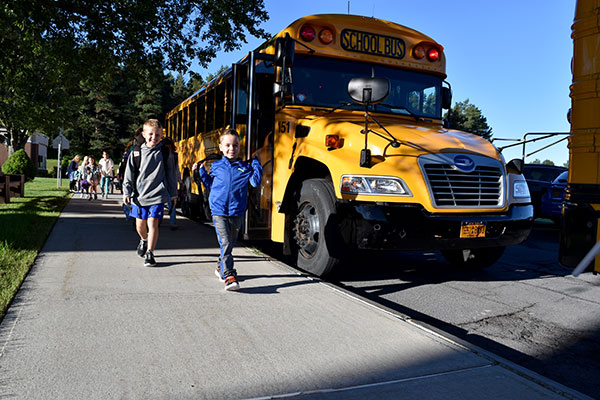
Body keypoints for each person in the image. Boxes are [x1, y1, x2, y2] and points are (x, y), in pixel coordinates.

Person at [193, 128, 262, 291]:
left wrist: (256, 163)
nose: (232, 149)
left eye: (236, 145)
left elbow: (255, 182)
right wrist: (201, 172)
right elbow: (210, 185)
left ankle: (220, 267)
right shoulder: (216, 166)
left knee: (229, 242)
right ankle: (229, 275)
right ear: (221, 147)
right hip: (218, 210)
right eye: (228, 145)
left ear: (240, 147)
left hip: (237, 211)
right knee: (225, 242)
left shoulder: (245, 167)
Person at [123, 119, 178, 267]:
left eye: (158, 135)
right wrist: (126, 191)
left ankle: (150, 253)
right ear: (143, 134)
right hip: (139, 196)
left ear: (162, 135)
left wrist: (173, 193)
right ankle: (144, 240)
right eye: (151, 134)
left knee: (153, 222)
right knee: (140, 226)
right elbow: (129, 174)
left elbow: (171, 174)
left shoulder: (165, 152)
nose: (154, 137)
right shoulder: (136, 152)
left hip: (158, 194)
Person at [161, 137, 181, 230]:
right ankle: (158, 220)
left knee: (172, 202)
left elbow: (176, 169)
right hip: (161, 180)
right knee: (160, 202)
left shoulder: (175, 156)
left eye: (169, 147)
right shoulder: (160, 155)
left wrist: (179, 180)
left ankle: (172, 221)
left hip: (171, 180)